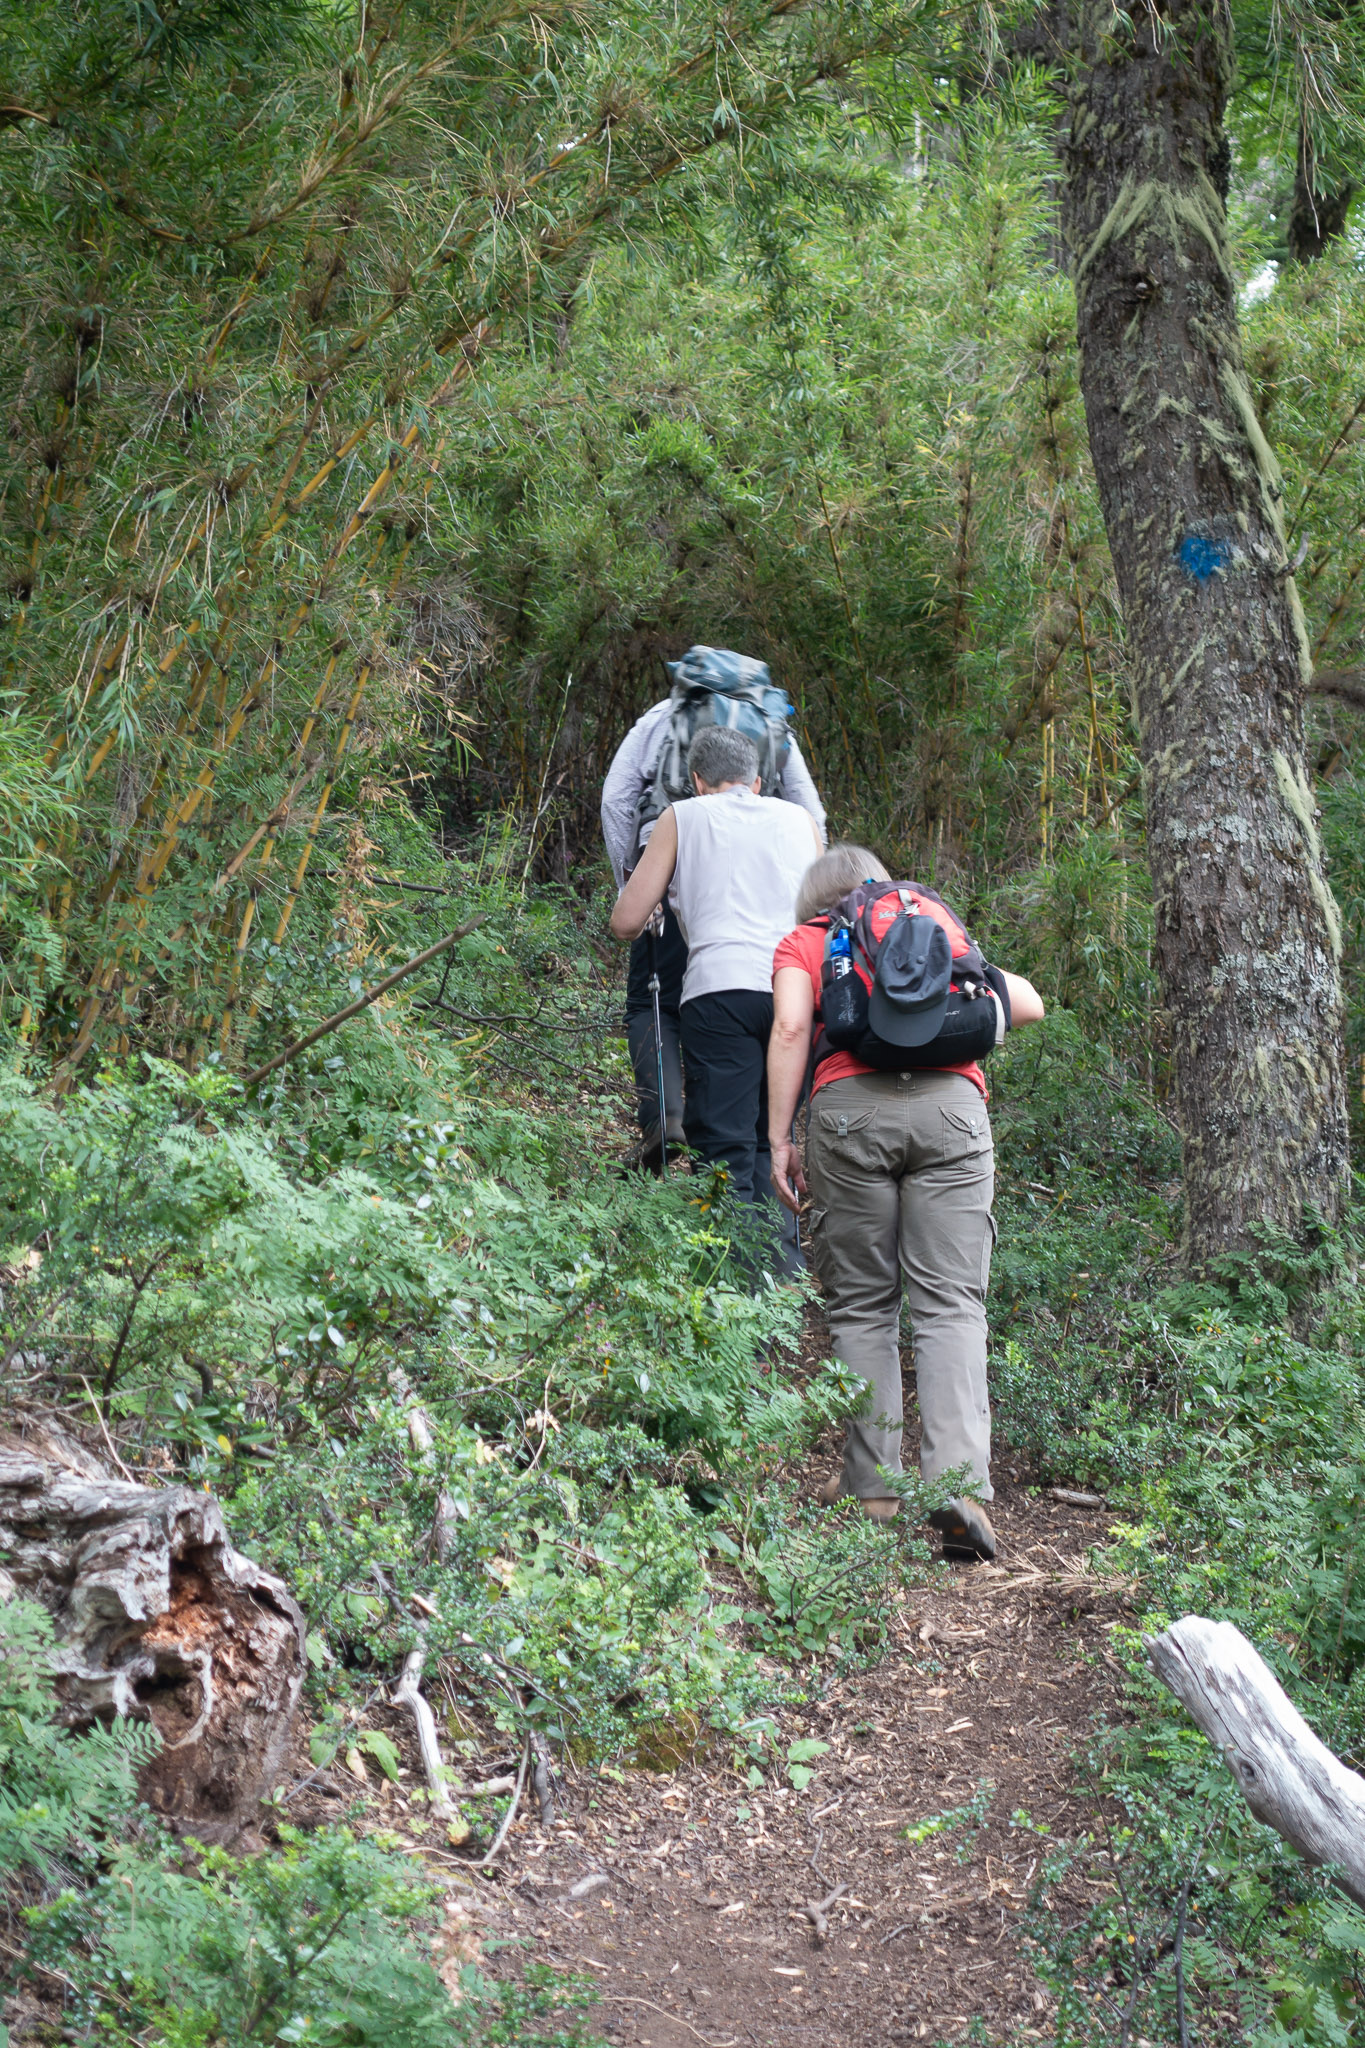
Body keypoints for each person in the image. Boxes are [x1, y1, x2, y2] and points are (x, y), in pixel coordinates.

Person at [766, 844, 1045, 1558]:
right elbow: (1028, 1005)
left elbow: (793, 1028)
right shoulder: (929, 932)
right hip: (953, 1110)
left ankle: (875, 1489)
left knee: (862, 1301)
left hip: (847, 1111)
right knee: (951, 1302)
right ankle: (958, 1491)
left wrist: (776, 1140)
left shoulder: (807, 941)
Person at [601, 654, 825, 1169]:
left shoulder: (664, 716)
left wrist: (635, 884)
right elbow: (811, 811)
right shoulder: (770, 725)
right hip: (768, 922)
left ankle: (666, 1116)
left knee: (651, 1003)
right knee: (765, 1023)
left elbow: (616, 799)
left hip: (672, 877)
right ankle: (763, 1146)